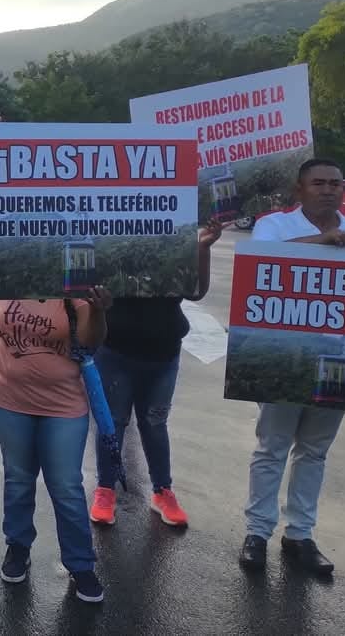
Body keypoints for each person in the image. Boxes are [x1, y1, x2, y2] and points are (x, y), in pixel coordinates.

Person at [238, 158, 345, 576]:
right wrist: (320, 242)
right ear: (300, 189)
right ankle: (257, 532)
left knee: (314, 451)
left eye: (335, 183)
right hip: (284, 356)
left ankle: (300, 534)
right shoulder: (274, 226)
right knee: (272, 447)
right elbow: (259, 262)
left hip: (336, 357)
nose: (329, 190)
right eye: (319, 183)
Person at [0, 290, 111, 602]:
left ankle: (81, 564)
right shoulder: (5, 275)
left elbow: (90, 341)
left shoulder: (72, 286)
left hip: (63, 405)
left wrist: (99, 310)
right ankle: (18, 547)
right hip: (8, 401)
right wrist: (3, 335)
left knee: (66, 485)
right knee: (18, 478)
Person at [89, 218, 223, 528]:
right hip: (115, 350)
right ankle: (105, 489)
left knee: (154, 423)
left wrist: (203, 248)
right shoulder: (109, 237)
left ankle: (163, 490)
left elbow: (196, 291)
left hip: (163, 353)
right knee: (113, 423)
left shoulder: (173, 240)